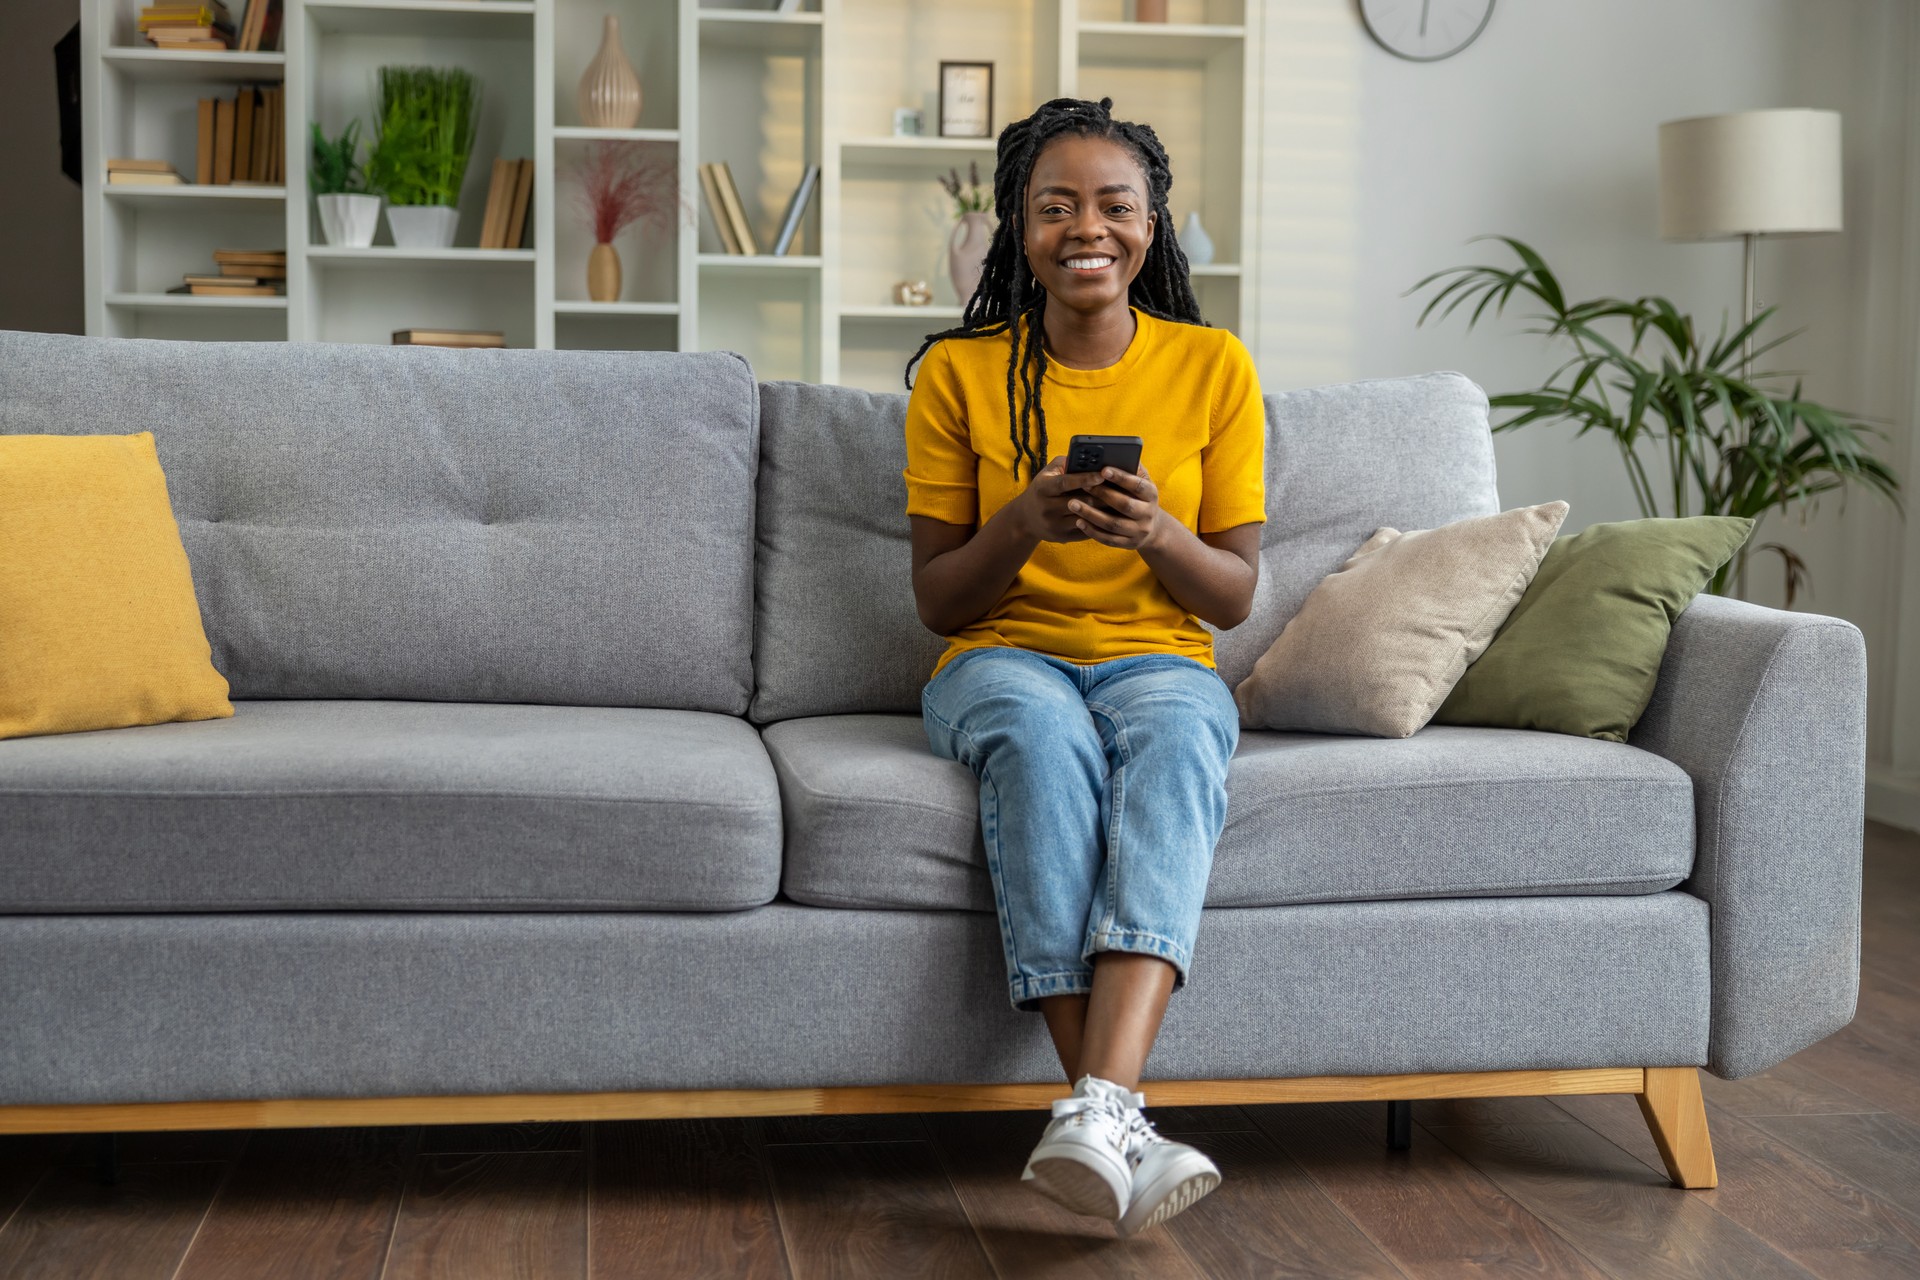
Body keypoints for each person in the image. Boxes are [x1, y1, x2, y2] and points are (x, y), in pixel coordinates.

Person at [902, 96, 1266, 1237]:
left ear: (1153, 227)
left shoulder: (1214, 368)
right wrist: (1021, 523)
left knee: (1177, 732)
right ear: (1019, 226)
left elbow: (1237, 594)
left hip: (1157, 657)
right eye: (1055, 206)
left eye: (1114, 204)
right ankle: (1116, 1113)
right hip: (999, 656)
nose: (1085, 228)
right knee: (1042, 738)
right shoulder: (959, 376)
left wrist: (1157, 532)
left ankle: (1095, 1111)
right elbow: (935, 600)